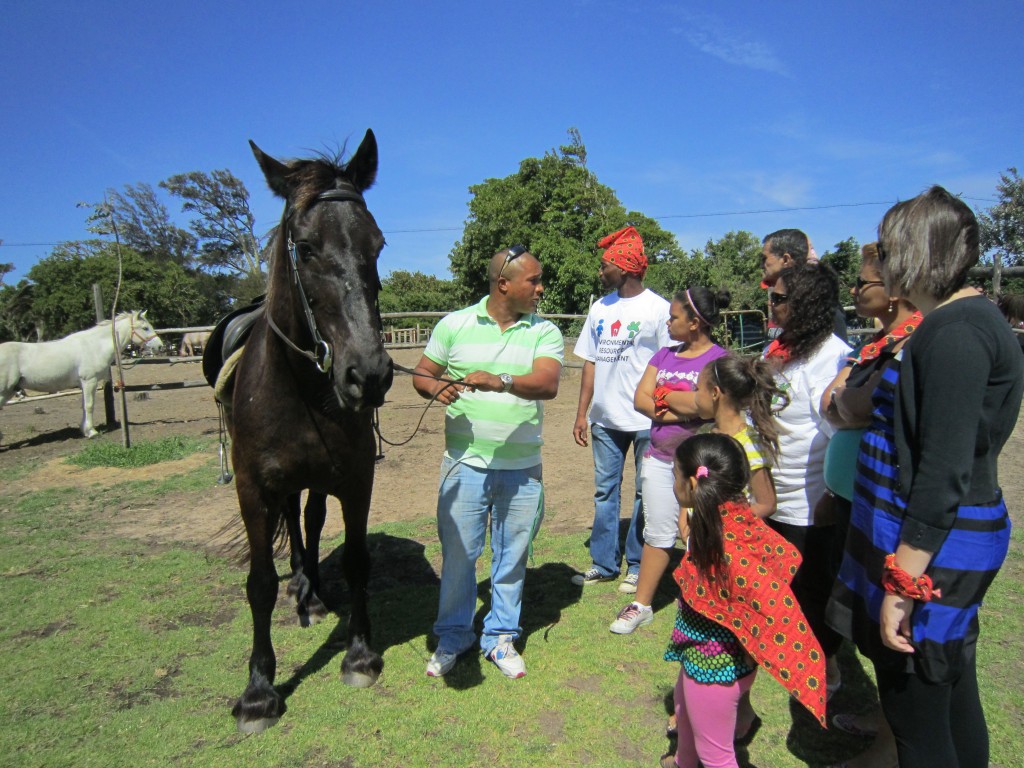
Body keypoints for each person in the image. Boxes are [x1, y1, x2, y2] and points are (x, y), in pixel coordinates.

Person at [827, 186, 1023, 768]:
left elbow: (942, 470)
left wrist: (902, 585)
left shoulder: (955, 332)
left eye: (888, 251)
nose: (882, 267)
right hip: (928, 547)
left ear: (916, 252)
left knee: (916, 720)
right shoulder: (955, 323)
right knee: (947, 691)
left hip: (930, 555)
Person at [412, 245, 565, 679]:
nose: (540, 288)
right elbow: (422, 372)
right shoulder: (455, 325)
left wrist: (501, 382)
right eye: (532, 281)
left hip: (522, 467)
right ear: (504, 285)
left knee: (512, 555)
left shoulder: (544, 331)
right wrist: (434, 387)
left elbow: (548, 383)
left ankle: (500, 637)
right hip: (464, 464)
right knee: (460, 554)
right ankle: (454, 634)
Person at [663, 433, 826, 768]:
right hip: (713, 657)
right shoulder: (734, 522)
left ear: (693, 483)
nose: (673, 482)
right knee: (683, 709)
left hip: (715, 666)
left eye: (674, 475)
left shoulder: (723, 545)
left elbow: (767, 590)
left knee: (718, 756)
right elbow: (782, 556)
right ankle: (683, 761)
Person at [818, 242, 920, 768]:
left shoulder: (911, 344)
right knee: (864, 621)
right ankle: (885, 729)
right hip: (852, 500)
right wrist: (845, 403)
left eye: (864, 282)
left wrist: (846, 402)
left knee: (889, 631)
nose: (855, 290)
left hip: (883, 509)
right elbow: (830, 404)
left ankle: (889, 747)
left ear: (896, 286)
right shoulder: (878, 343)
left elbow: (851, 404)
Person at [609, 287, 729, 634]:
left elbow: (710, 408)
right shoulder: (663, 356)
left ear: (694, 323)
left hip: (702, 465)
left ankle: (707, 605)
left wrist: (666, 403)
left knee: (702, 534)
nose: (668, 321)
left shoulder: (719, 361)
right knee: (658, 532)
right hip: (661, 460)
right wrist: (684, 408)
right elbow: (640, 400)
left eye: (674, 317)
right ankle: (642, 605)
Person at [763, 262, 852, 697]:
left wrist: (830, 494)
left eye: (779, 298)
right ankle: (784, 653)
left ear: (808, 304)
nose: (771, 304)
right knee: (775, 583)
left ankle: (825, 666)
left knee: (811, 589)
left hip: (808, 496)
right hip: (768, 492)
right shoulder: (778, 348)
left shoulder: (831, 356)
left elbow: (837, 429)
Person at [572, 226, 671, 592]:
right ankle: (603, 562)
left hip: (647, 418)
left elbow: (669, 364)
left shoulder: (659, 309)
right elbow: (590, 362)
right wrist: (583, 412)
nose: (600, 272)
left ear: (626, 268)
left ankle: (637, 563)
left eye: (605, 265)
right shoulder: (599, 307)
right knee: (605, 491)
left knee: (647, 491)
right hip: (606, 418)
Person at [760, 228, 847, 341]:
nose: (762, 264)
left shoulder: (819, 305)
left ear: (786, 260)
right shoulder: (785, 303)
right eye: (775, 298)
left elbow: (835, 355)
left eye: (764, 258)